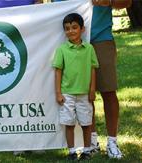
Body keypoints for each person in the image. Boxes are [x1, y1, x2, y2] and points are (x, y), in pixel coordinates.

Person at [52, 0, 132, 159]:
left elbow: (126, 2)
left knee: (108, 91)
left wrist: (109, 1)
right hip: (70, 42)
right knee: (82, 94)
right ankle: (92, 143)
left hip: (100, 39)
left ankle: (112, 142)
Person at [0, 0, 43, 156]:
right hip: (2, 46)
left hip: (27, 41)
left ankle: (36, 140)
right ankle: (16, 140)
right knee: (10, 92)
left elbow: (40, 6)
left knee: (30, 90)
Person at [52, 13, 99, 160]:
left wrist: (92, 90)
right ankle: (72, 151)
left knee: (86, 123)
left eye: (74, 27)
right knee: (69, 123)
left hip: (85, 93)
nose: (70, 31)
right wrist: (58, 93)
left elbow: (93, 69)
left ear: (82, 29)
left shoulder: (89, 48)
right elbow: (58, 72)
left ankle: (87, 150)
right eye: (67, 28)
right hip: (67, 94)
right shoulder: (62, 50)